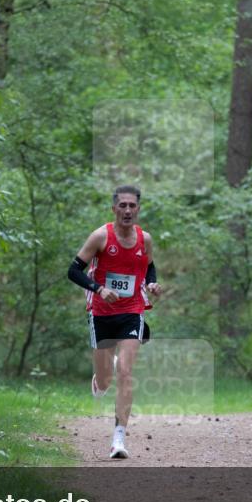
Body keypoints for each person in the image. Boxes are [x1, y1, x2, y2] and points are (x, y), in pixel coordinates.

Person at [66, 185, 161, 458]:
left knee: (126, 374)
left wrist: (151, 283)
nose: (128, 210)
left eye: (132, 206)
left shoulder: (145, 239)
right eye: (123, 205)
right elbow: (73, 271)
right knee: (107, 379)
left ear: (138, 209)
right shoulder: (100, 236)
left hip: (132, 310)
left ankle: (118, 439)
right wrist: (99, 289)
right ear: (114, 208)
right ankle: (100, 380)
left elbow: (149, 265)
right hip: (101, 313)